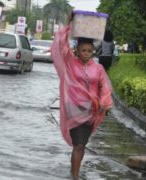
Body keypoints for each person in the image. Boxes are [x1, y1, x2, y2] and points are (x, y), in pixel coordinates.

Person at [50, 18, 113, 179]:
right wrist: (69, 23)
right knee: (78, 145)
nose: (86, 53)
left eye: (89, 51)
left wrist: (104, 103)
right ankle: (76, 176)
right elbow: (60, 46)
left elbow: (104, 86)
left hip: (91, 111)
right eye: (83, 50)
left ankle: (73, 171)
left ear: (93, 52)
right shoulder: (70, 63)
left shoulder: (98, 68)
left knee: (82, 145)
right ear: (77, 50)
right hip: (74, 109)